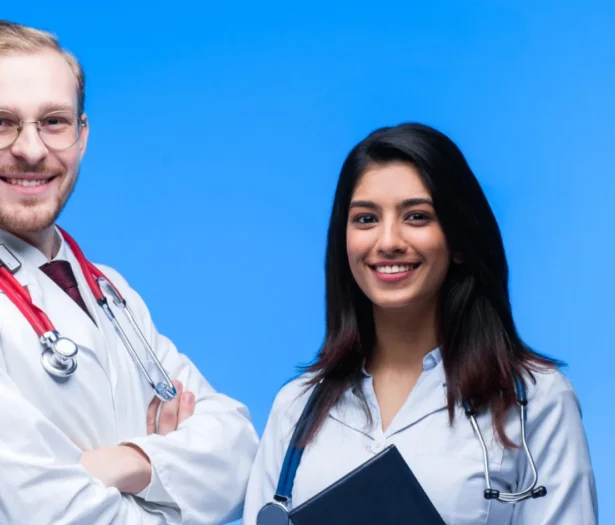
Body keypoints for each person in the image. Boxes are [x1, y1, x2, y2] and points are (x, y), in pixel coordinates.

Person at [243, 123, 598, 524]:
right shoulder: (295, 407)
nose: (388, 242)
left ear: (458, 240)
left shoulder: (536, 400)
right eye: (366, 219)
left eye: (416, 216)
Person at [0, 20, 258, 524]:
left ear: (82, 135)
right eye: (2, 122)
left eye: (53, 121)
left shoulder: (110, 290)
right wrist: (171, 485)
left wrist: (128, 461)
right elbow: (43, 514)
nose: (31, 149)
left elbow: (240, 453)